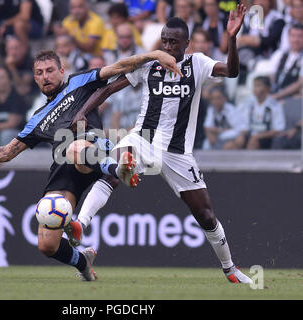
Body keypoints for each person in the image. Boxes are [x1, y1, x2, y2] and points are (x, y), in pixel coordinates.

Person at [0, 49, 180, 281]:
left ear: (61, 71)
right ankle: (82, 262)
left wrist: (155, 55)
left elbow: (120, 66)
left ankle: (117, 169)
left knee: (75, 147)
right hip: (66, 170)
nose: (45, 76)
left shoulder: (79, 82)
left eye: (50, 70)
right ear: (35, 78)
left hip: (94, 151)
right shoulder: (37, 118)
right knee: (47, 244)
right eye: (40, 72)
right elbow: (5, 152)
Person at [67, 6, 254, 284]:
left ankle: (230, 268)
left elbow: (233, 71)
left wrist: (232, 38)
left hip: (178, 153)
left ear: (186, 44)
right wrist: (83, 111)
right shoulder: (149, 64)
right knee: (111, 170)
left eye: (173, 42)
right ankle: (80, 225)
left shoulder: (198, 63)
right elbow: (108, 88)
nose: (167, 45)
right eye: (164, 40)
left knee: (205, 215)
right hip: (142, 138)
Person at [225, 76, 286, 150]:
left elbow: (278, 129)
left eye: (258, 85)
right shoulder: (248, 103)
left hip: (266, 137)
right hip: (251, 135)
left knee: (252, 144)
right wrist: (242, 135)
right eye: (254, 86)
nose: (255, 89)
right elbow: (244, 124)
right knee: (229, 146)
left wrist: (258, 136)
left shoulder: (274, 105)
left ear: (267, 88)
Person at [269, 24, 303, 101]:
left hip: (292, 98)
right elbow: (270, 76)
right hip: (274, 94)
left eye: (300, 36)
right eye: (293, 36)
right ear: (288, 37)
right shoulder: (279, 54)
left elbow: (300, 83)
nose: (296, 40)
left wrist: (277, 96)